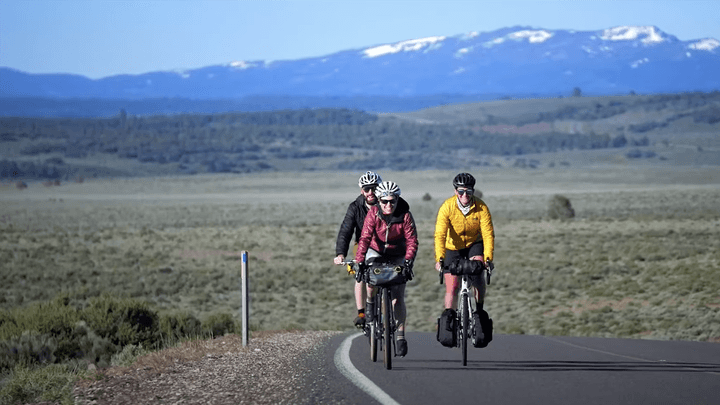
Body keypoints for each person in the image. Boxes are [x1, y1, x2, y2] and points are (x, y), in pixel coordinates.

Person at [355, 181, 418, 357]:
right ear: (379, 201)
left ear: (397, 200)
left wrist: (408, 261)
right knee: (370, 282)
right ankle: (369, 308)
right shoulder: (373, 214)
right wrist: (360, 262)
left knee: (397, 297)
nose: (388, 205)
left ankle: (400, 336)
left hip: (398, 252)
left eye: (392, 201)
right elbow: (365, 237)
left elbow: (412, 240)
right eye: (384, 201)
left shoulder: (405, 215)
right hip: (375, 250)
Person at [434, 173, 495, 343]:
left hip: (474, 244)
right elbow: (439, 235)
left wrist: (488, 259)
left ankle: (479, 308)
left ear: (473, 191)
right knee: (452, 286)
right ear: (455, 191)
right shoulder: (447, 207)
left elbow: (488, 235)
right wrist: (439, 259)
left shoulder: (481, 207)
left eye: (469, 191)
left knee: (478, 272)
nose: (465, 196)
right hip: (452, 246)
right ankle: (450, 317)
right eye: (461, 192)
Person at [334, 171, 382, 328]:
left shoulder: (387, 203)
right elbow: (346, 230)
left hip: (384, 244)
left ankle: (387, 308)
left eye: (374, 188)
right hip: (363, 244)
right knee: (360, 273)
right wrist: (340, 253)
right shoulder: (355, 207)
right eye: (367, 189)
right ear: (362, 190)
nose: (371, 193)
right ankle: (361, 312)